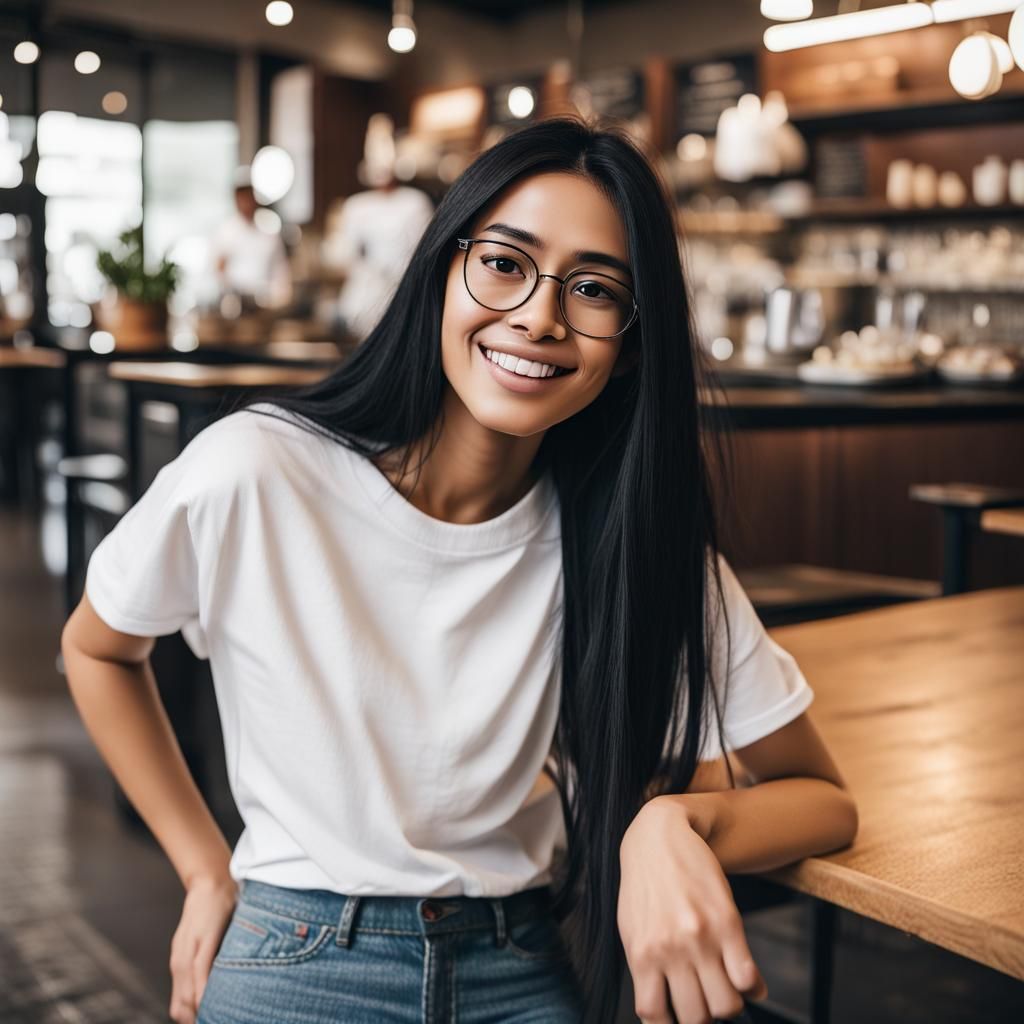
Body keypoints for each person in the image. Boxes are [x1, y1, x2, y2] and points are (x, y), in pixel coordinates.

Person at [60, 119, 858, 1024]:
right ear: (443, 268)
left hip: (521, 962)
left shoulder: (628, 539)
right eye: (506, 264)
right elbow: (97, 649)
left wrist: (674, 822)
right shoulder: (256, 469)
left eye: (594, 289)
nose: (540, 317)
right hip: (298, 954)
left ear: (630, 345)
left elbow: (823, 800)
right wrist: (205, 870)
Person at [322, 114, 433, 341]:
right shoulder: (356, 206)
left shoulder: (415, 203)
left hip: (403, 292)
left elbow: (425, 251)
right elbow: (344, 254)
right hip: (364, 297)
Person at [209, 173, 292, 310]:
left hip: (267, 302)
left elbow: (280, 268)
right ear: (236, 200)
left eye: (248, 197)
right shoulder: (226, 232)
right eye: (242, 198)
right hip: (237, 304)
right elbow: (219, 270)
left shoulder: (269, 229)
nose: (246, 203)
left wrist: (281, 295)